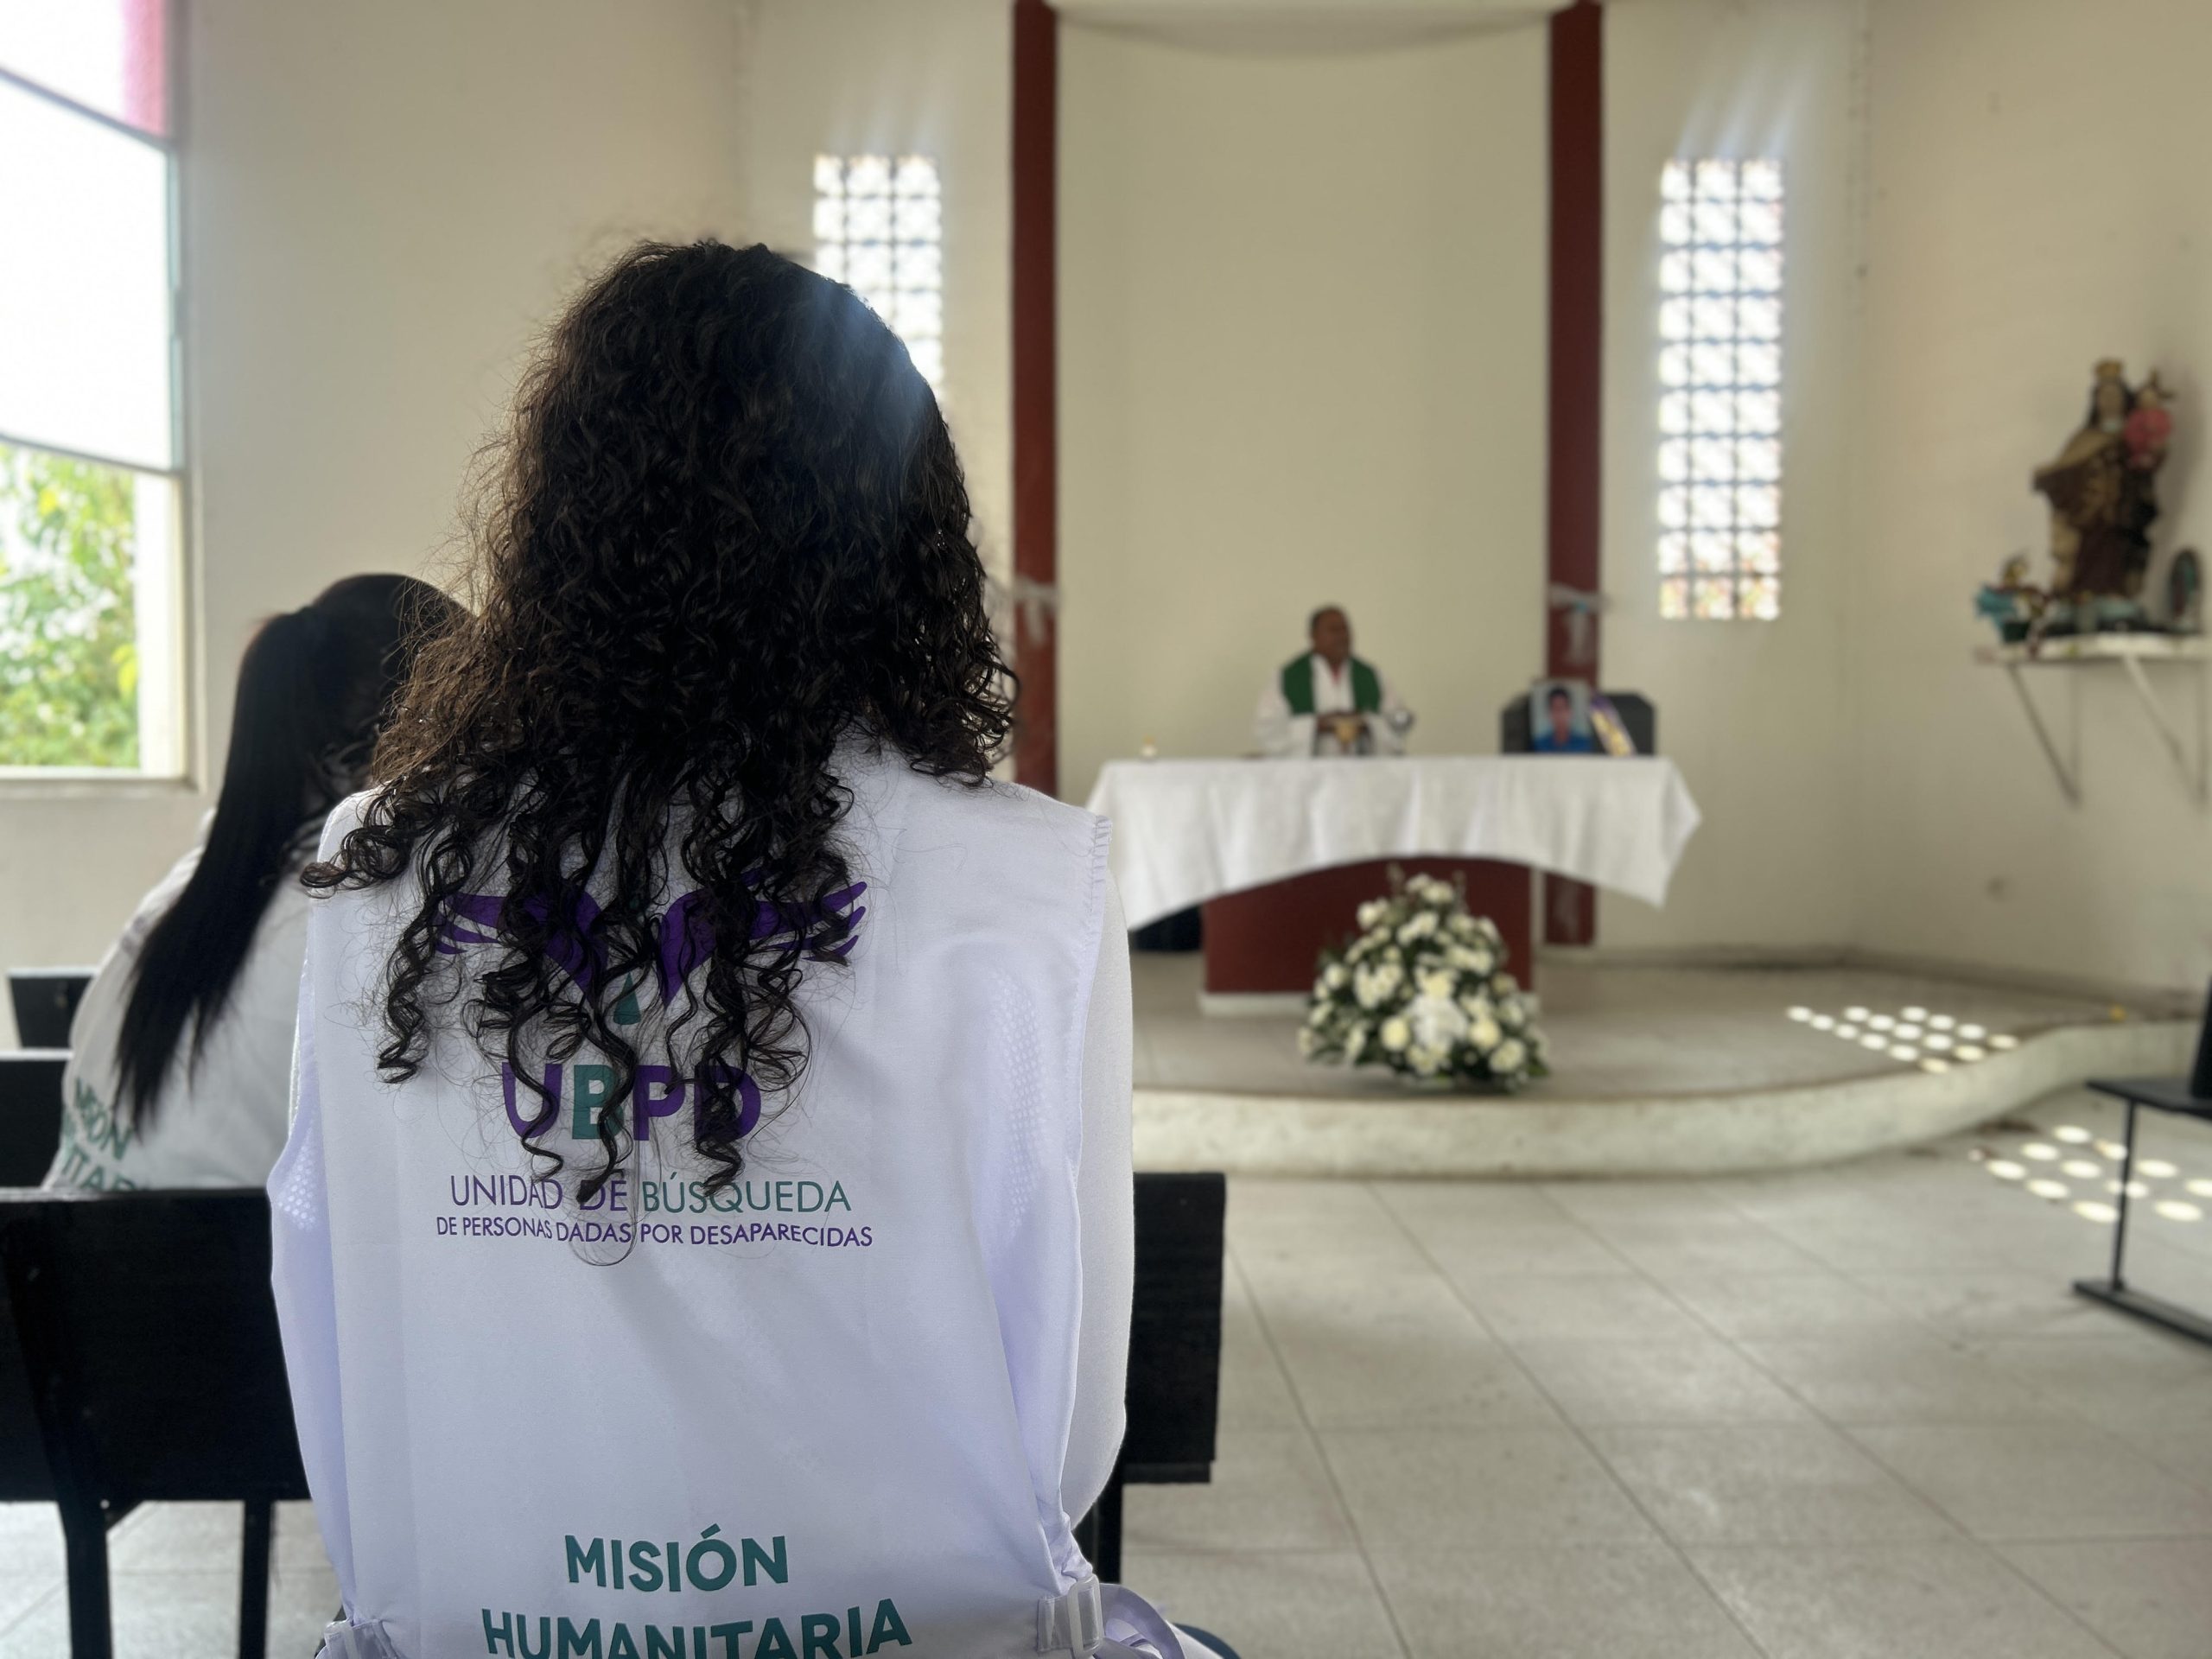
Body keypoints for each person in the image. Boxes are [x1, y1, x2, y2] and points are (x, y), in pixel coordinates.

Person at [272, 243, 1219, 1659]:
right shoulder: (1029, 879)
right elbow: (1069, 1442)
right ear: (903, 536)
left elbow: (336, 1356)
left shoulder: (375, 868)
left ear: (559, 529)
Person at [42, 574, 457, 1192]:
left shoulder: (200, 882)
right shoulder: (355, 926)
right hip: (192, 1280)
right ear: (394, 753)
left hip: (55, 1274)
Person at [1252, 604, 1413, 757]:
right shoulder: (1286, 677)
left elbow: (1395, 727)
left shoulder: (1373, 676)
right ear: (1313, 636)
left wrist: (1366, 724)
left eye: (1345, 629)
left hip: (1362, 776)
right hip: (1307, 780)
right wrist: (1316, 726)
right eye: (1334, 630)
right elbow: (1268, 731)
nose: (1342, 636)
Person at [1530, 683, 1596, 754]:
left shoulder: (1584, 744)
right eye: (1555, 708)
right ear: (1549, 713)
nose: (1559, 714)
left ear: (1570, 712)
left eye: (1563, 708)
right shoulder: (1540, 745)